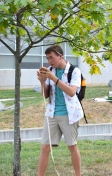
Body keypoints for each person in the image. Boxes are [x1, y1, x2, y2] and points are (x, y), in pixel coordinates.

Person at [37, 45, 83, 176]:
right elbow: (45, 95)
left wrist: (53, 78)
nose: (49, 61)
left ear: (60, 56)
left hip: (69, 114)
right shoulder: (51, 71)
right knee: (45, 147)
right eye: (47, 58)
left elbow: (72, 92)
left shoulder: (74, 71)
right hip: (52, 114)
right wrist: (42, 82)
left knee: (72, 146)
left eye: (51, 57)